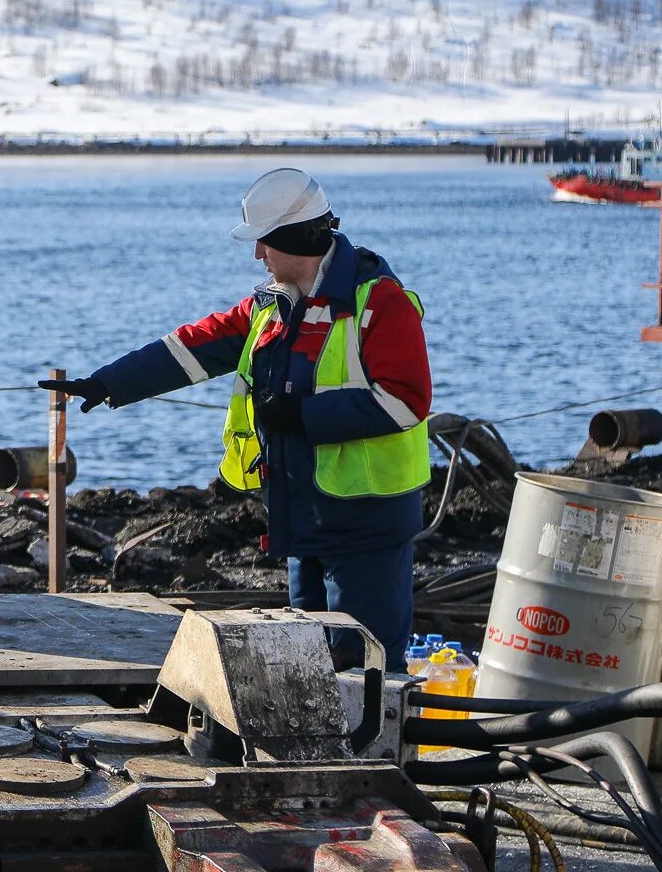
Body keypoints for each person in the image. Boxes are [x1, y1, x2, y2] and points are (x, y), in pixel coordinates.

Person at [42, 169, 432, 659]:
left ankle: (372, 739)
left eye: (264, 242)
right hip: (302, 517)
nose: (257, 255)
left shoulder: (379, 302)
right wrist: (108, 382)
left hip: (366, 524)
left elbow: (406, 401)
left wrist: (304, 416)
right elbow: (192, 347)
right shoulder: (270, 306)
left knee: (365, 664)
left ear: (294, 238)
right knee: (308, 659)